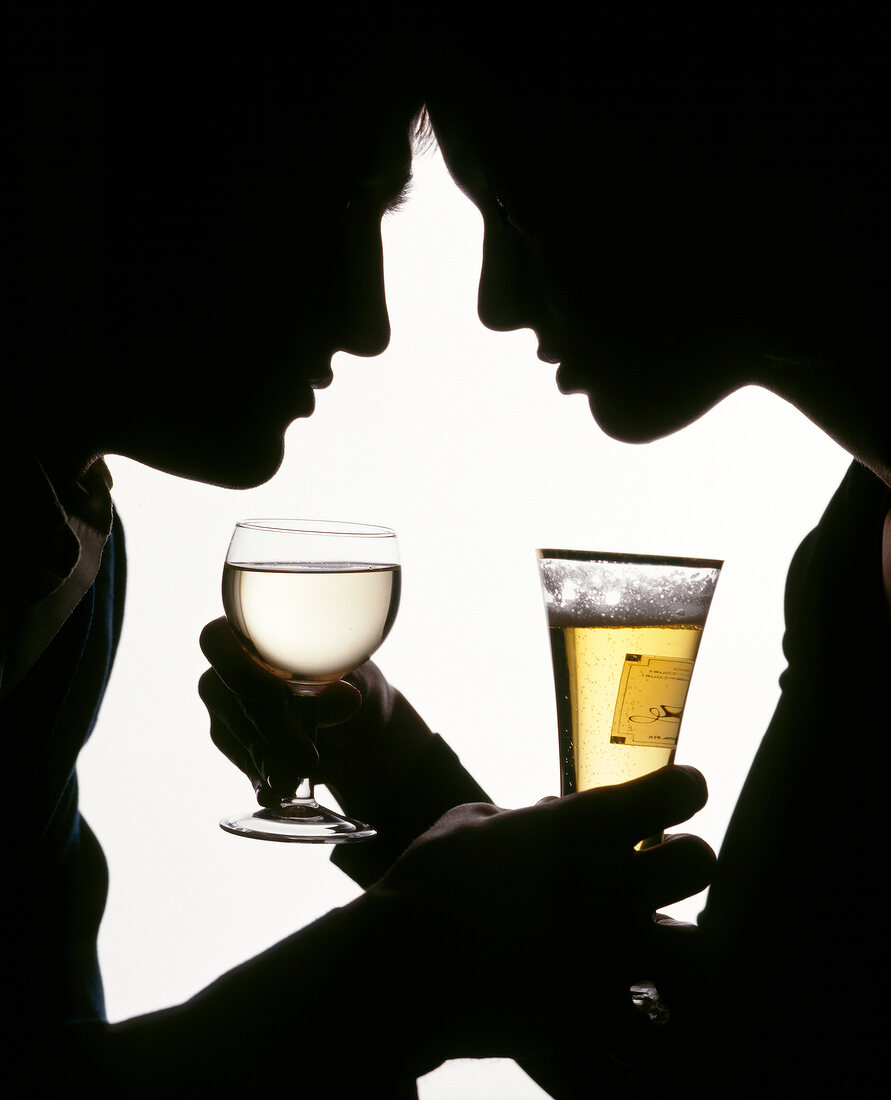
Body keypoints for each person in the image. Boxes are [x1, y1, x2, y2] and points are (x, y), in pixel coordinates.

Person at [2, 5, 716, 1096]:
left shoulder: (74, 548)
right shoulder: (61, 552)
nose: (371, 320)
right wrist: (405, 952)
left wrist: (407, 837)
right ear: (131, 169)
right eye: (334, 208)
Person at [204, 3, 889, 1094]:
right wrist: (397, 768)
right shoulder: (858, 556)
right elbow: (738, 1046)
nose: (495, 299)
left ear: (694, 147)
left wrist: (406, 958)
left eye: (518, 211)